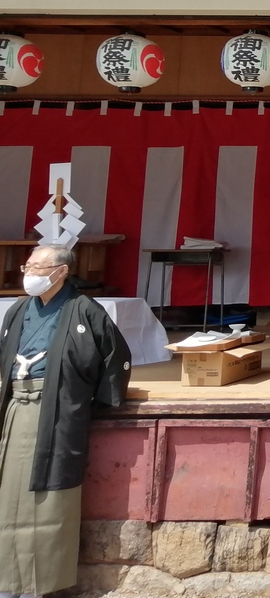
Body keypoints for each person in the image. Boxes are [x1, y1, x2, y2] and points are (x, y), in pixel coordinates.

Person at [0, 244, 131, 598]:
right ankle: (6, 581)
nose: (29, 273)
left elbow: (114, 359)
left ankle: (35, 587)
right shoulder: (18, 310)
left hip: (56, 412)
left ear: (61, 272)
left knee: (48, 497)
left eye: (38, 267)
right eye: (28, 267)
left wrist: (88, 405)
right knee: (7, 495)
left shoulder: (85, 310)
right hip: (16, 408)